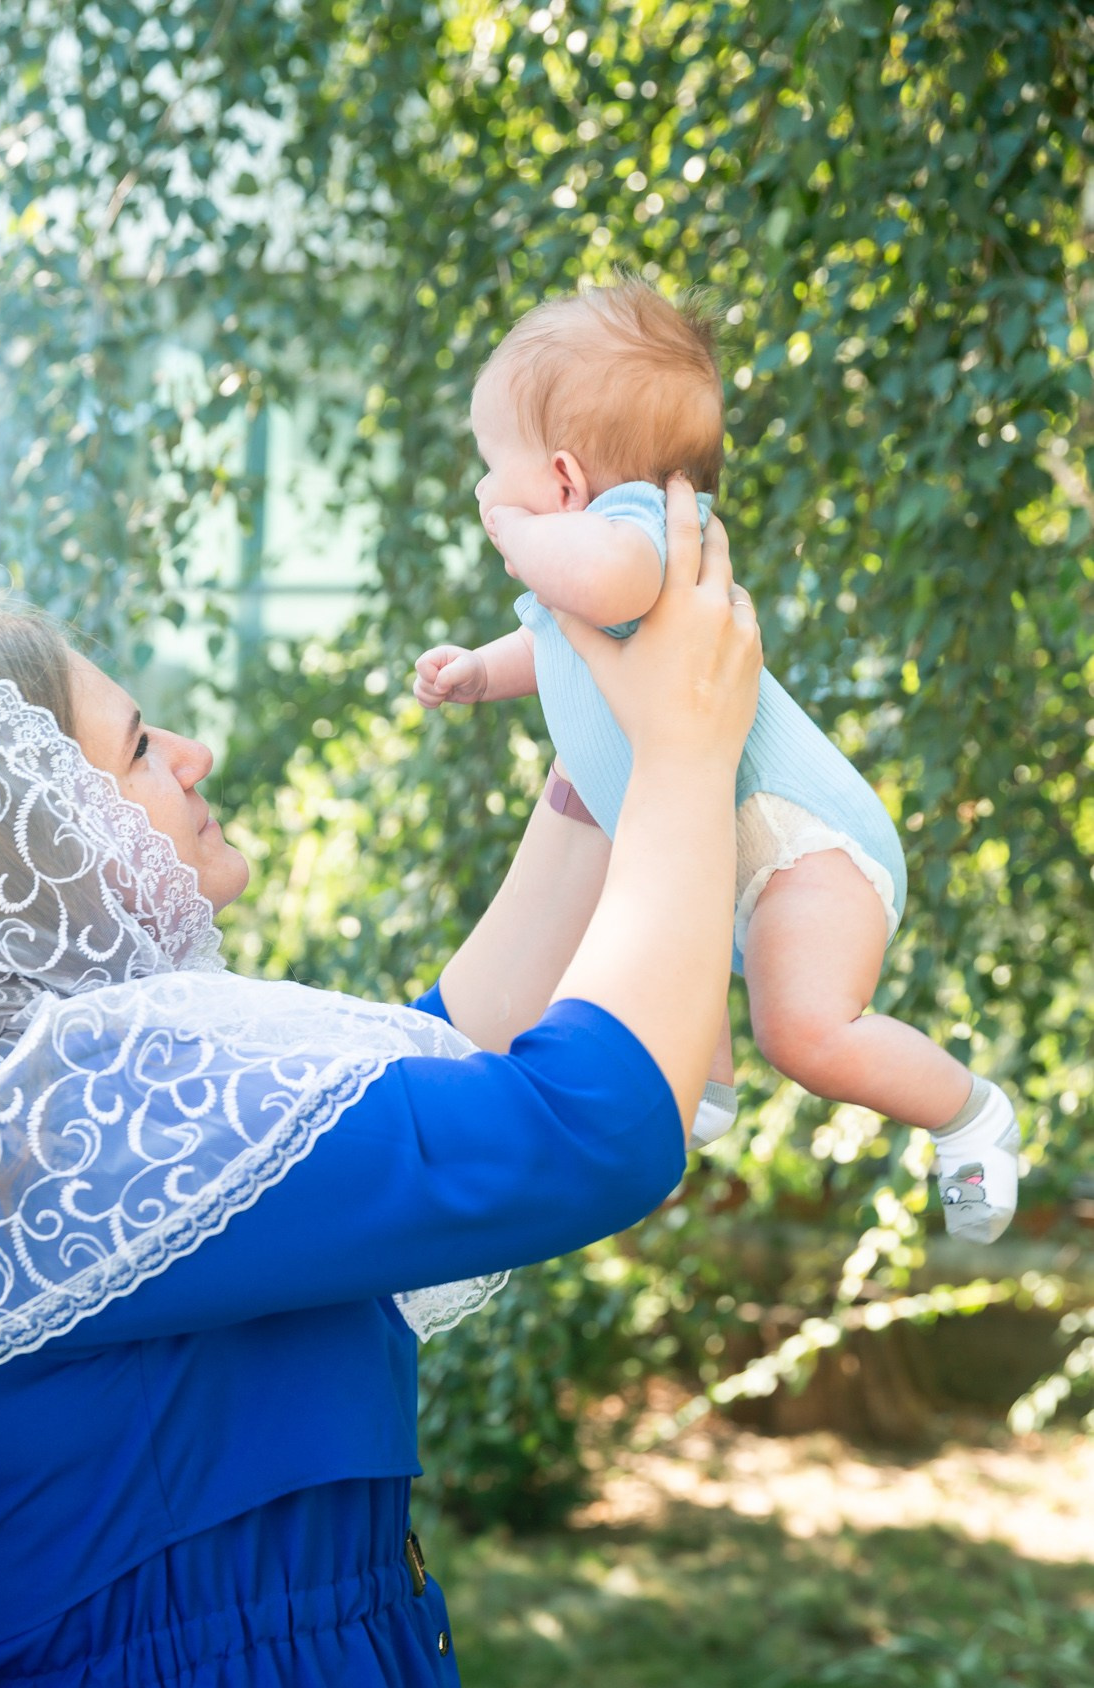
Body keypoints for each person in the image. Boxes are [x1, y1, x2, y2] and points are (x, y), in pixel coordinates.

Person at [0, 486, 758, 1688]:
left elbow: (431, 1065)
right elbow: (579, 1129)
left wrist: (594, 775)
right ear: (34, 836)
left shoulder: (26, 1115)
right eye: (141, 746)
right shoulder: (54, 1120)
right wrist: (687, 763)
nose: (194, 757)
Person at [413, 276, 1021, 1244]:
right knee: (664, 924)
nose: (485, 492)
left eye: (496, 468)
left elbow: (602, 577)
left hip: (802, 848)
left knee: (808, 1033)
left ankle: (967, 1112)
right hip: (722, 854)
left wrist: (517, 531)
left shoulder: (641, 530)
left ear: (564, 480)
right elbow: (553, 638)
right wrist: (478, 674)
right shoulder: (585, 574)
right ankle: (703, 1078)